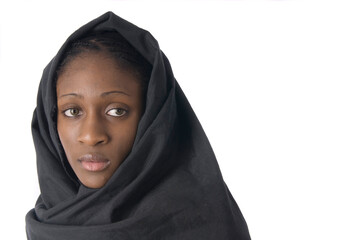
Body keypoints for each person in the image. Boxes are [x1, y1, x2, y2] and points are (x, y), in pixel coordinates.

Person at [25, 11, 251, 240]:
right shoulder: (50, 220)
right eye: (73, 111)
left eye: (116, 111)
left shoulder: (206, 226)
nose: (91, 135)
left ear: (153, 117)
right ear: (51, 118)